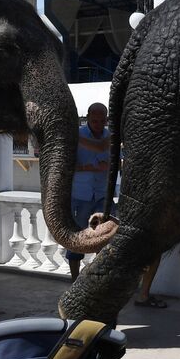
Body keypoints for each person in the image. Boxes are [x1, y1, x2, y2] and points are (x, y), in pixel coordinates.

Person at [66, 103, 111, 280]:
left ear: (106, 119)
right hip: (81, 194)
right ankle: (75, 280)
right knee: (77, 237)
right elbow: (67, 164)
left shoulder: (109, 136)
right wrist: (88, 167)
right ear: (88, 118)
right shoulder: (77, 135)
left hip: (102, 195)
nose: (98, 124)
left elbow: (114, 161)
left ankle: (97, 280)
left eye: (102, 120)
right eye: (94, 120)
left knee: (105, 236)